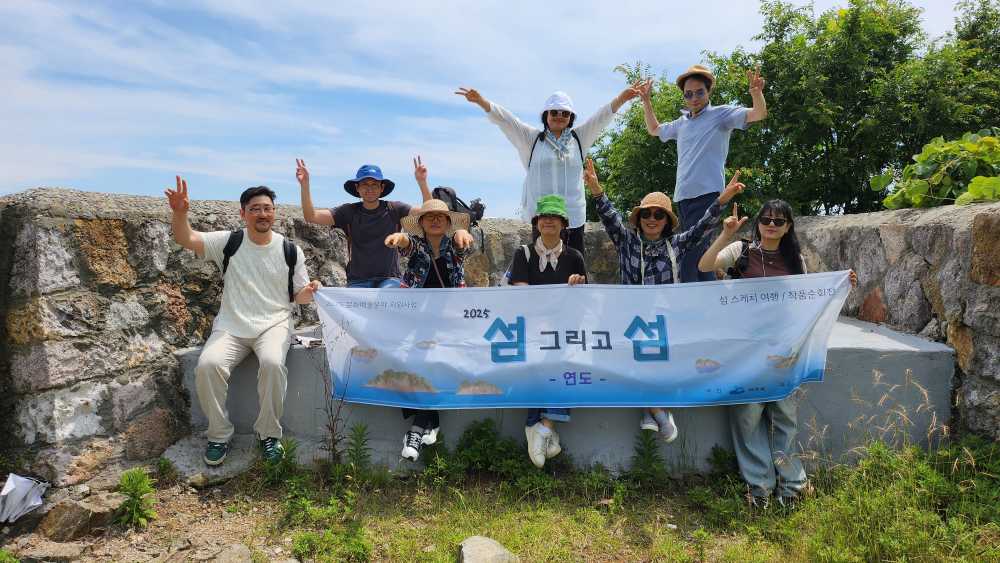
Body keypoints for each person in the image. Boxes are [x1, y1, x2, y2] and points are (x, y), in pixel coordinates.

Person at [699, 199, 858, 509]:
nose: (771, 225)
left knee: (784, 418)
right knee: (747, 418)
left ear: (788, 227)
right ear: (758, 223)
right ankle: (759, 489)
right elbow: (705, 266)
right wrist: (726, 234)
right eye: (766, 219)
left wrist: (842, 285)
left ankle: (793, 488)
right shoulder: (740, 252)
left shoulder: (796, 260)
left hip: (783, 351)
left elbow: (809, 301)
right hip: (744, 352)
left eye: (779, 221)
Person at [583, 158, 746, 441]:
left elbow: (702, 227)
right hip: (632, 319)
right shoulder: (627, 241)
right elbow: (609, 216)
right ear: (639, 217)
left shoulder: (677, 244)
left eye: (659, 215)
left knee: (662, 363)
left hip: (668, 319)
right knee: (633, 361)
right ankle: (659, 413)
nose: (652, 219)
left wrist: (722, 199)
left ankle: (649, 412)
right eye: (647, 213)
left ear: (667, 221)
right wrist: (597, 190)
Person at [165, 177, 321, 466]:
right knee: (208, 366)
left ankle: (269, 434)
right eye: (255, 209)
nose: (262, 214)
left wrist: (310, 292)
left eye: (268, 208)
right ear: (243, 213)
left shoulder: (290, 250)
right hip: (231, 326)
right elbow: (185, 238)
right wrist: (180, 213)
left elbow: (298, 295)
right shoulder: (230, 241)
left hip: (274, 324)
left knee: (274, 364)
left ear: (275, 212)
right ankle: (219, 435)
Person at [455, 84, 640, 257]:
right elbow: (507, 121)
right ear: (546, 115)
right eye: (554, 112)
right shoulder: (532, 139)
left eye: (565, 113)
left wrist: (621, 99)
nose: (559, 116)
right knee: (541, 271)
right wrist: (481, 101)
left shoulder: (579, 138)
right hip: (543, 218)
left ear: (571, 117)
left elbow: (601, 118)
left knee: (575, 271)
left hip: (573, 218)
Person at [637, 64, 768, 282]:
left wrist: (756, 94)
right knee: (699, 256)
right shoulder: (682, 123)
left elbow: (758, 113)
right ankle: (708, 304)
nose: (694, 98)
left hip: (708, 197)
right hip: (683, 199)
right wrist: (647, 101)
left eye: (700, 92)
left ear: (709, 92)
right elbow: (654, 129)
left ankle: (693, 305)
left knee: (688, 257)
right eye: (689, 94)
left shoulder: (720, 115)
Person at [384, 172, 476, 462]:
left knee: (433, 365)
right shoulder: (417, 246)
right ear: (421, 223)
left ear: (448, 223)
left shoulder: (455, 246)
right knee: (411, 363)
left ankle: (418, 428)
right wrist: (399, 238)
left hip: (448, 321)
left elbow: (465, 244)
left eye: (441, 217)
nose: (435, 221)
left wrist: (463, 234)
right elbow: (406, 244)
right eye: (429, 217)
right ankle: (429, 422)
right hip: (416, 320)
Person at [507, 195, 587, 468]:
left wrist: (577, 284)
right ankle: (541, 430)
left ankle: (541, 426)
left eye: (555, 216)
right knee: (539, 376)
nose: (549, 220)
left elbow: (584, 297)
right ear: (537, 223)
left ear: (564, 223)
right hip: (532, 330)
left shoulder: (575, 257)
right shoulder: (523, 253)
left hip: (564, 331)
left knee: (566, 373)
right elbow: (519, 291)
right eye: (544, 216)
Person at [296, 157, 432, 287]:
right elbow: (311, 216)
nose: (370, 188)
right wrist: (305, 185)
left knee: (389, 306)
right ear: (357, 188)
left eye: (374, 184)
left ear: (382, 187)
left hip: (389, 280)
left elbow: (429, 212)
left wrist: (422, 182)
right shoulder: (348, 212)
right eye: (365, 184)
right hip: (358, 281)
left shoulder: (395, 209)